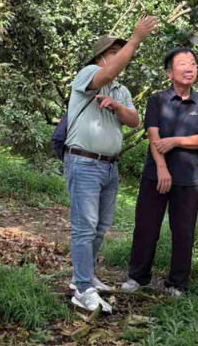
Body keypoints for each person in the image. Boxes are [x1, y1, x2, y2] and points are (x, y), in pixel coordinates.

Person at [64, 16, 158, 313]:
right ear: (100, 57)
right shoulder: (89, 74)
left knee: (101, 226)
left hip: (109, 167)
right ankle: (82, 289)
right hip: (84, 162)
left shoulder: (120, 90)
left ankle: (85, 275)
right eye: (114, 53)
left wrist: (118, 107)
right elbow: (108, 73)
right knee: (85, 226)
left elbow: (135, 121)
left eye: (122, 51)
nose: (120, 57)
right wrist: (136, 39)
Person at [122, 47, 198, 299]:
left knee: (184, 231)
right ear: (169, 73)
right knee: (146, 227)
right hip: (155, 175)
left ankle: (177, 284)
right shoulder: (157, 100)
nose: (190, 68)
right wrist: (162, 168)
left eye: (193, 64)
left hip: (188, 178)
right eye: (183, 64)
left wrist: (175, 141)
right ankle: (138, 277)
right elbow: (154, 135)